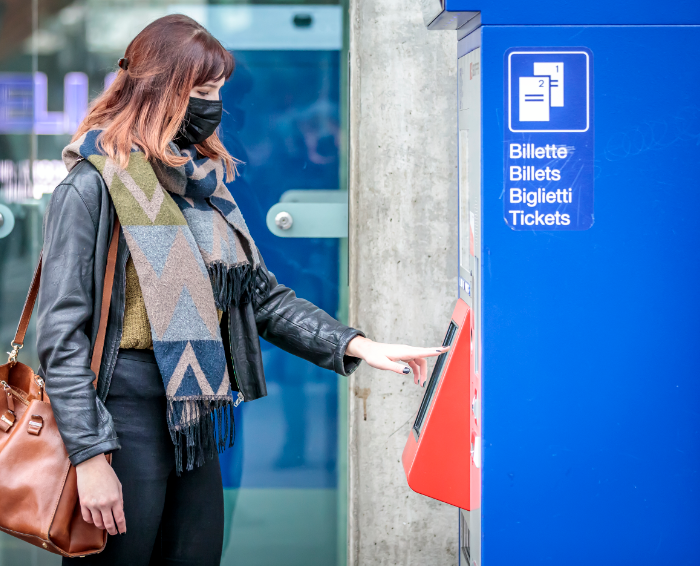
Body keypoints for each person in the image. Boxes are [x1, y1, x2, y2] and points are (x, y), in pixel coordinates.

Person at [37, 14, 448, 566]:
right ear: (162, 90)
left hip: (193, 412)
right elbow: (61, 336)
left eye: (218, 93)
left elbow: (259, 296)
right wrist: (88, 455)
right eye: (202, 93)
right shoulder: (90, 187)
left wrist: (359, 345)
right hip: (121, 417)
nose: (213, 107)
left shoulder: (203, 185)